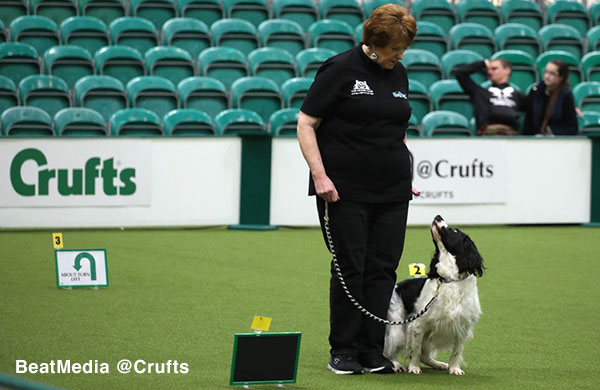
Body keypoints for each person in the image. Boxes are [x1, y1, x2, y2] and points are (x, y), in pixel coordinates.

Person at [296, 4, 417, 376]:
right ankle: (344, 351)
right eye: (395, 49)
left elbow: (396, 128)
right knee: (351, 267)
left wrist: (404, 173)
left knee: (383, 269)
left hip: (393, 190)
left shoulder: (399, 73)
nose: (400, 56)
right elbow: (306, 123)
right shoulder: (340, 69)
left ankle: (372, 351)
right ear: (373, 43)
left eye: (403, 50)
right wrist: (320, 177)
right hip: (342, 191)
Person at [455, 58, 527, 135]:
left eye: (494, 69)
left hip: (511, 135)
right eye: (488, 69)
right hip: (488, 134)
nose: (489, 72)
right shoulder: (480, 93)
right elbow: (460, 73)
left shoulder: (518, 95)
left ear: (507, 70)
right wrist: (482, 64)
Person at [522, 60, 580, 136]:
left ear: (561, 77)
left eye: (552, 73)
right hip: (536, 138)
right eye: (546, 72)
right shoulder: (535, 91)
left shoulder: (566, 95)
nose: (547, 76)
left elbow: (572, 126)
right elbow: (528, 120)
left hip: (558, 138)